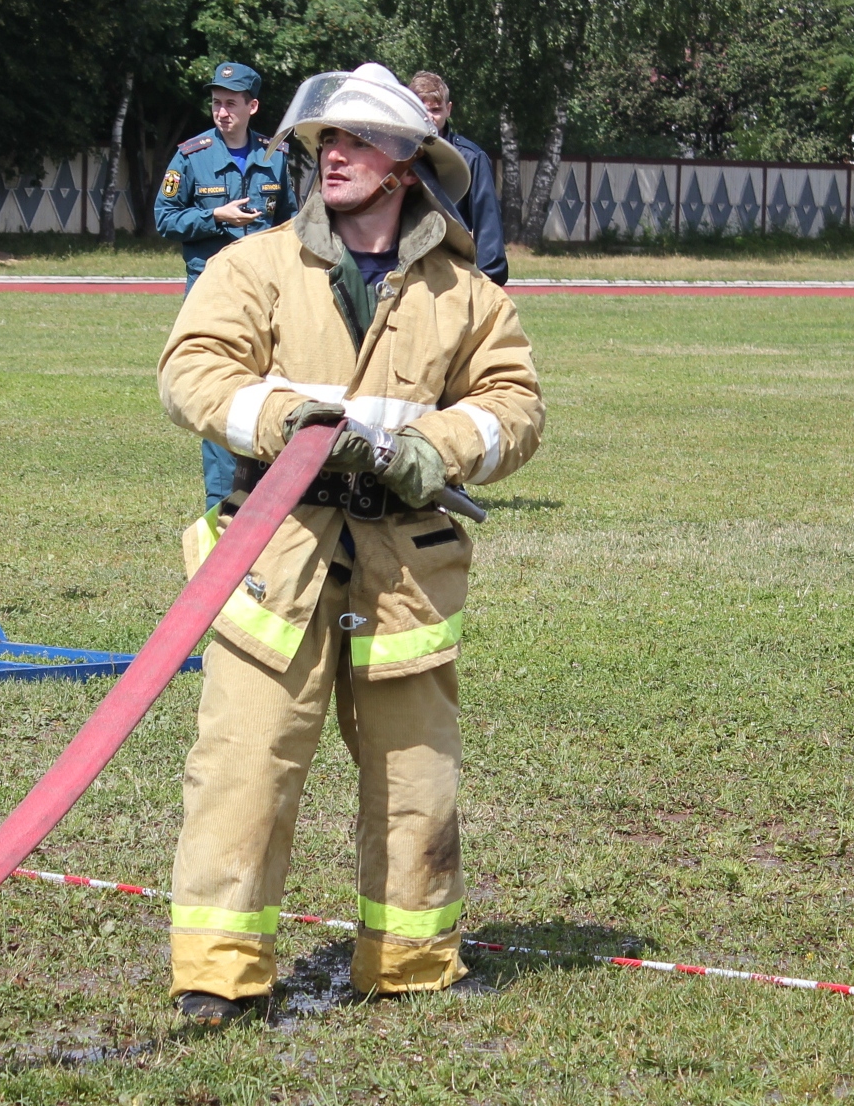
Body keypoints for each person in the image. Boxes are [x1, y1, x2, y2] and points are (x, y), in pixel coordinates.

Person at [157, 63, 543, 1024]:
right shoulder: (258, 265)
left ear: (407, 165)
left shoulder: (465, 293)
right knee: (244, 765)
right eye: (324, 140)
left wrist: (441, 445)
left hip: (405, 564)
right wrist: (284, 419)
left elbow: (515, 405)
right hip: (273, 557)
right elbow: (191, 371)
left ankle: (409, 965)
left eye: (359, 141)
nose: (334, 154)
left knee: (415, 775)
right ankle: (217, 972)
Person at [154, 61, 298, 508]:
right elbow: (164, 218)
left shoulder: (275, 156)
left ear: (252, 107)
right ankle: (222, 507)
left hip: (268, 296)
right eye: (216, 103)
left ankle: (269, 502)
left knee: (272, 390)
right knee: (217, 395)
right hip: (210, 293)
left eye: (231, 104)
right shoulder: (192, 156)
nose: (222, 112)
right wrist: (216, 216)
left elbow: (291, 224)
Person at [406, 71, 506, 285]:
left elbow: (487, 224)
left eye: (435, 110)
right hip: (403, 270)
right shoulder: (394, 153)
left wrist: (490, 281)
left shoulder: (471, 158)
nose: (429, 117)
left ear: (448, 109)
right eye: (421, 109)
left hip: (453, 271)